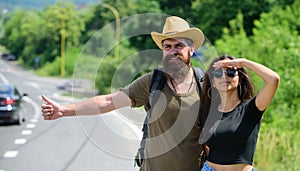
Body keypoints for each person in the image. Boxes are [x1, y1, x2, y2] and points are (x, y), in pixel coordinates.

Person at [41, 16, 206, 171]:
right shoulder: (152, 82)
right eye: (167, 47)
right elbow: (109, 101)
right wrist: (64, 110)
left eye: (179, 46)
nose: (173, 51)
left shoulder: (205, 85)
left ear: (191, 49)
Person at [199, 55, 280, 171]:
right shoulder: (207, 111)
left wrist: (243, 62)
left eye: (230, 72)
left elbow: (273, 79)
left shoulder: (252, 108)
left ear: (240, 79)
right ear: (213, 82)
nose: (224, 76)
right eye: (218, 73)